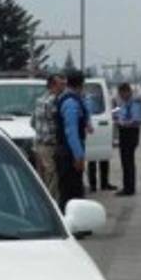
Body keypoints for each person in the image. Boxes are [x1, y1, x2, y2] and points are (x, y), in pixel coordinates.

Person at [53, 69, 89, 210]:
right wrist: (78, 155)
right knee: (70, 192)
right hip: (68, 153)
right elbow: (71, 132)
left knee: (73, 189)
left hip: (66, 150)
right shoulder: (71, 103)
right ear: (81, 84)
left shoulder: (70, 99)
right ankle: (73, 224)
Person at [30, 73, 64, 202]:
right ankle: (51, 204)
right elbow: (58, 123)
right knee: (52, 176)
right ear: (53, 85)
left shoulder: (39, 100)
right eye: (60, 84)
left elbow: (32, 122)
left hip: (38, 144)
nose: (63, 87)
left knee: (42, 176)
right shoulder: (53, 101)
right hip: (49, 145)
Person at [113, 82, 141, 196]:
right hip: (124, 132)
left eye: (121, 93)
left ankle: (129, 188)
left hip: (130, 133)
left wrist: (123, 123)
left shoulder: (134, 102)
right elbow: (119, 114)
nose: (120, 96)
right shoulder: (124, 103)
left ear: (127, 92)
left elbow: (136, 119)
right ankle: (128, 186)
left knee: (128, 161)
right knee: (126, 161)